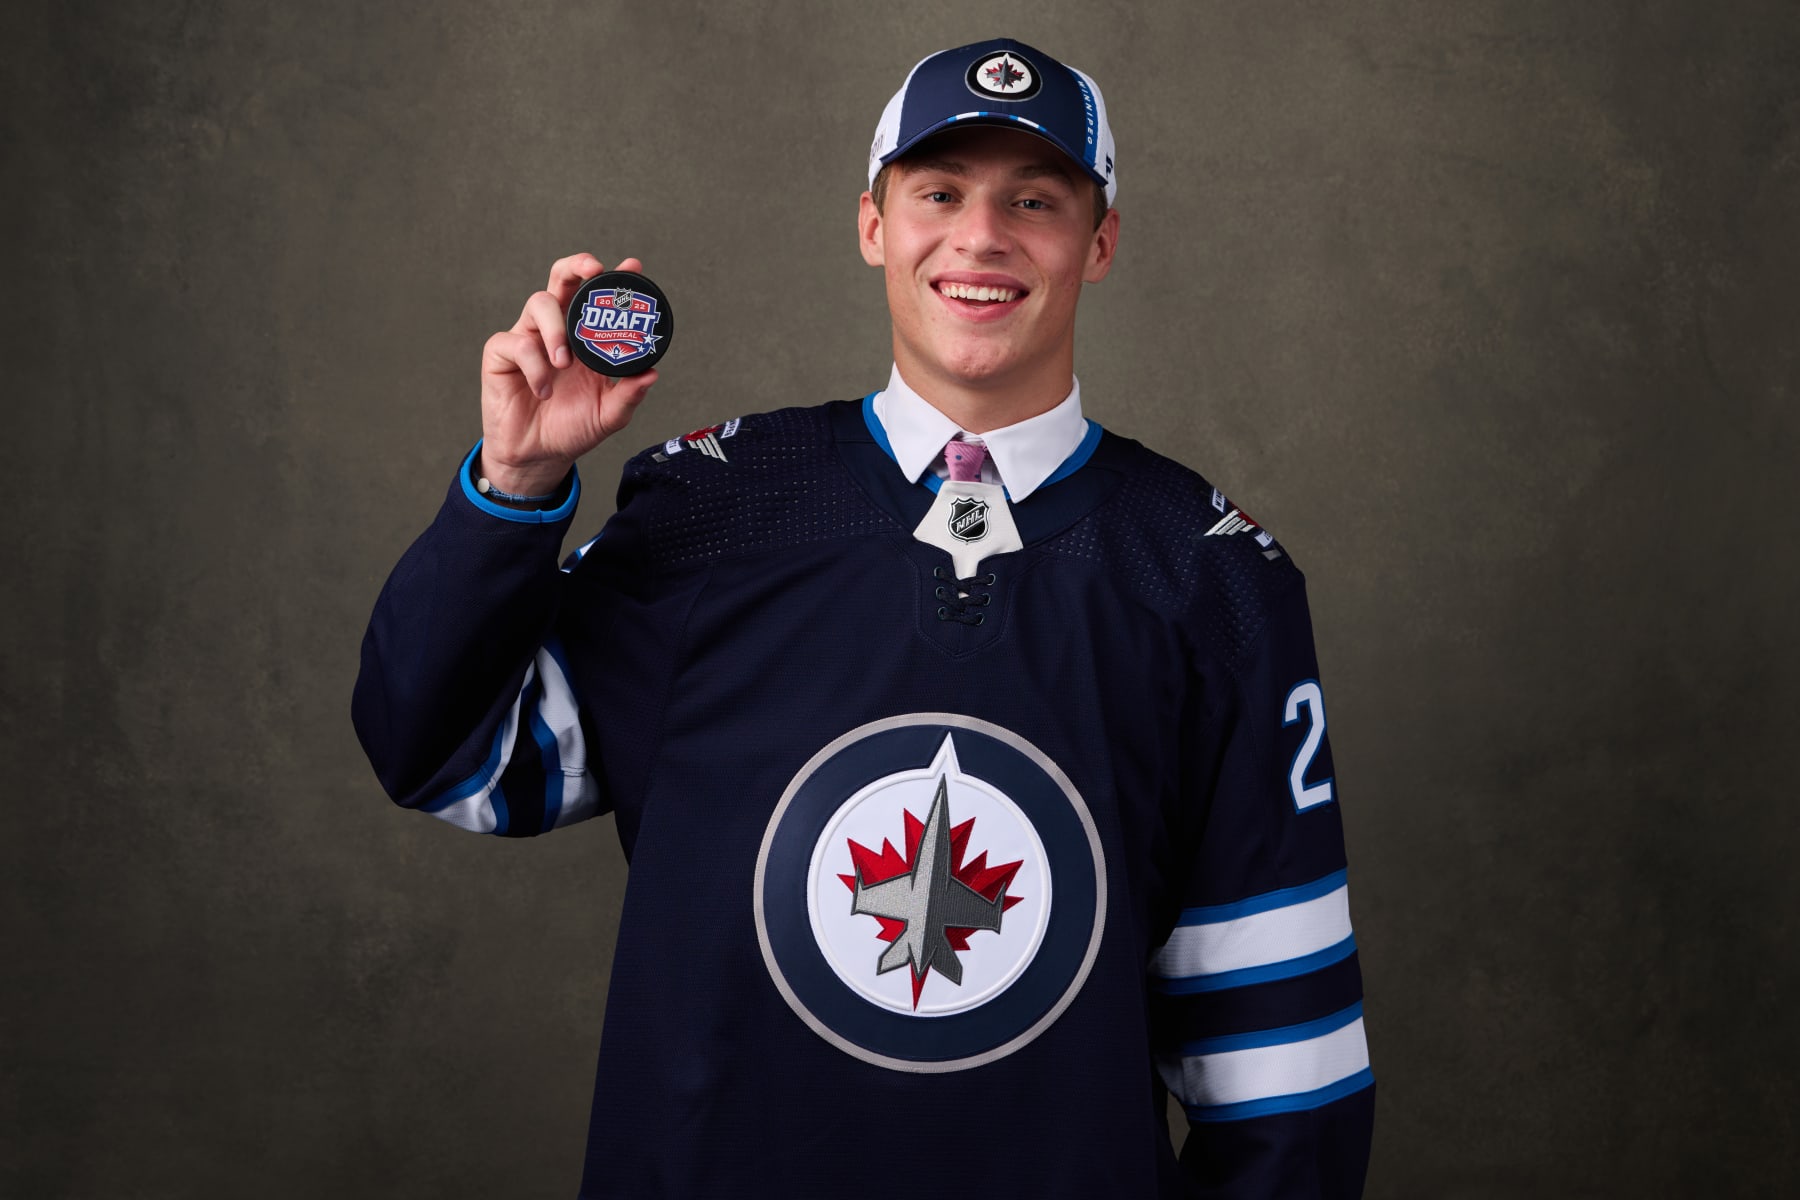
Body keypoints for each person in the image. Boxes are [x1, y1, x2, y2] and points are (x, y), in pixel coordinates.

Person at [354, 37, 1374, 1198]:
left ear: (1101, 243)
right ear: (873, 225)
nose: (981, 238)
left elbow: (1286, 1087)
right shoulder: (712, 511)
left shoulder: (1213, 578)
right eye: (939, 193)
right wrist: (514, 488)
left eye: (1033, 201)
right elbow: (448, 760)